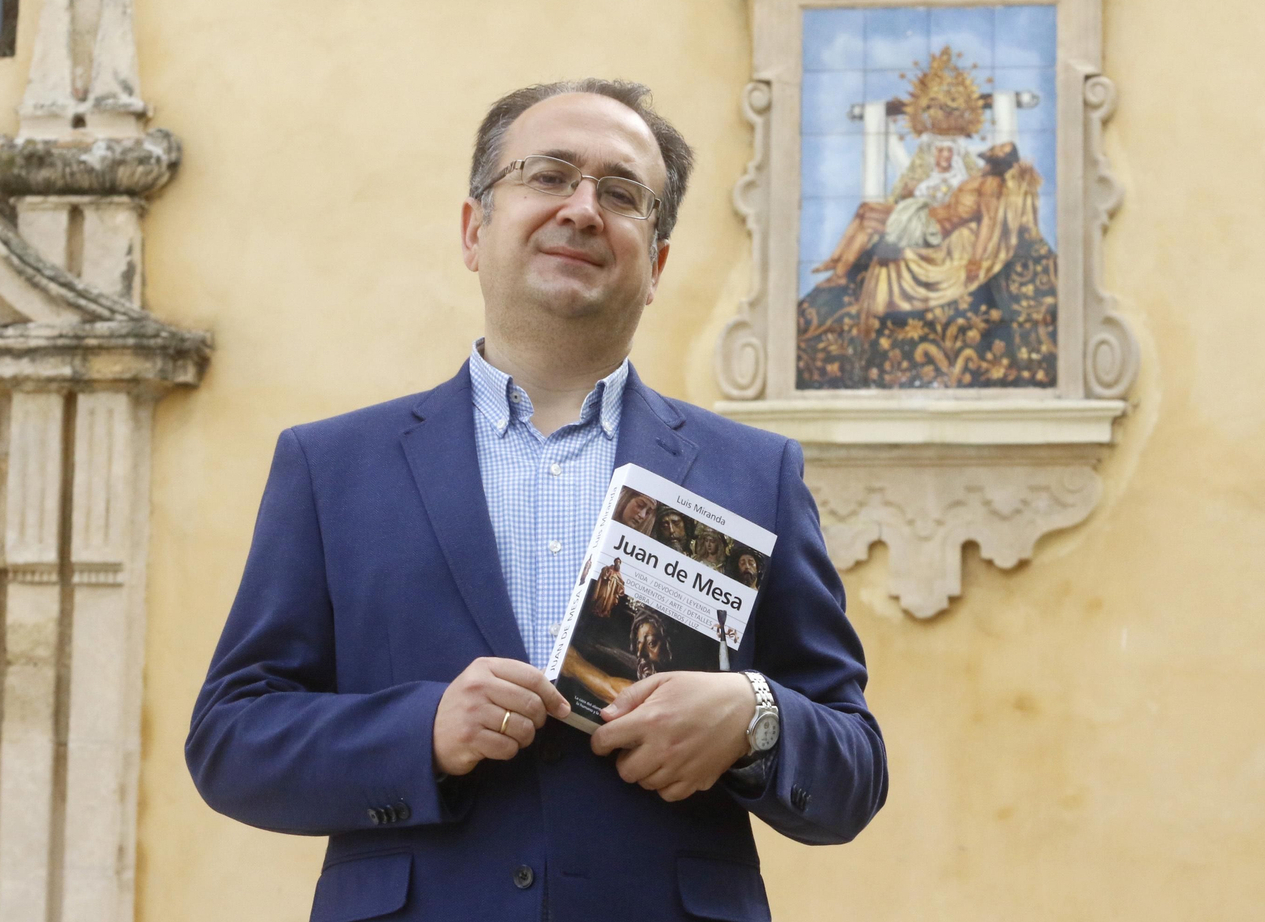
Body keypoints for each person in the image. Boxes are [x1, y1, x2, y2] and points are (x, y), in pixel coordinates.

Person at [186, 78, 886, 922]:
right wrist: (423, 732)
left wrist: (754, 719)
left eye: (623, 193)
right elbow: (231, 739)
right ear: (475, 230)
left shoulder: (753, 472)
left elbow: (854, 763)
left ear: (658, 262)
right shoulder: (331, 466)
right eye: (549, 175)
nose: (584, 209)